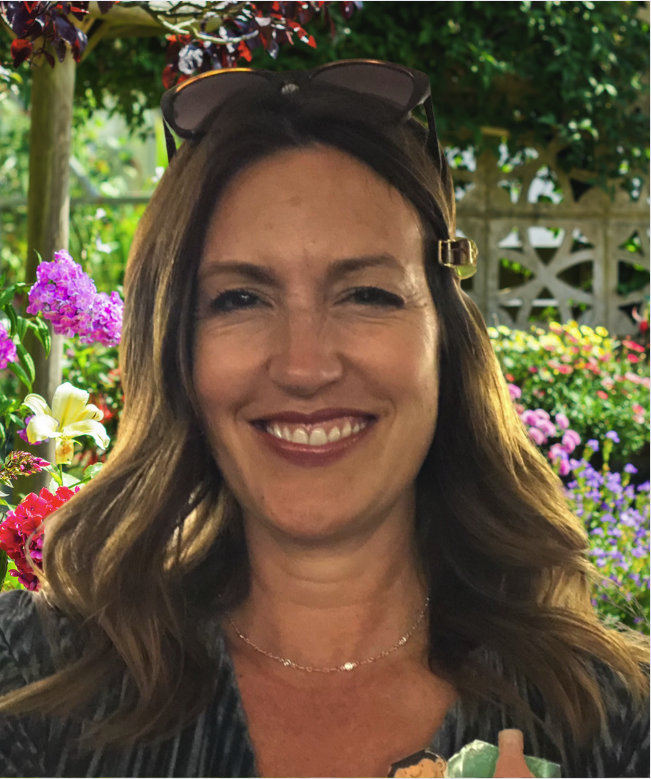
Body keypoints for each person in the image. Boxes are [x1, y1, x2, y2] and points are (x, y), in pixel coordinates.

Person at [0, 60, 648, 778]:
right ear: (175, 350)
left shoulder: (610, 720)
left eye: (366, 293)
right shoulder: (33, 684)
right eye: (240, 299)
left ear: (445, 334)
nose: (304, 366)